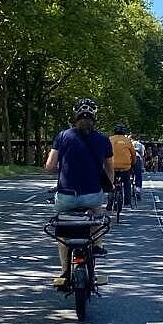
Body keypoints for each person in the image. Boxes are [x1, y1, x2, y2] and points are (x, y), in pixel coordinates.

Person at [44, 98, 114, 285]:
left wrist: (66, 167)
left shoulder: (62, 136)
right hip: (92, 196)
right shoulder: (103, 140)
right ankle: (98, 245)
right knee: (97, 214)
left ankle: (65, 271)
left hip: (66, 196)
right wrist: (110, 186)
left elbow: (49, 166)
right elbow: (109, 168)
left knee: (62, 231)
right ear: (95, 118)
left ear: (74, 118)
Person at [109, 123, 138, 207]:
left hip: (112, 166)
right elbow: (133, 154)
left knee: (111, 183)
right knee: (127, 183)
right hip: (125, 167)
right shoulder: (127, 140)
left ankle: (110, 202)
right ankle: (127, 201)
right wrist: (133, 163)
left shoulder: (110, 139)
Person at [131, 134, 146, 202]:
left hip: (128, 159)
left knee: (126, 174)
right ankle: (138, 189)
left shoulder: (127, 143)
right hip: (137, 159)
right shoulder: (140, 145)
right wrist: (142, 167)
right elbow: (142, 155)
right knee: (138, 175)